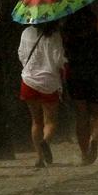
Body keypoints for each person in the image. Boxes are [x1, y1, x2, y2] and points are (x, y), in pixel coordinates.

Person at [63, 5, 98, 165]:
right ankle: (95, 139)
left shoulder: (66, 27)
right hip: (97, 72)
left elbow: (63, 50)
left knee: (81, 115)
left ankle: (84, 153)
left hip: (76, 74)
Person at [18, 20, 65, 167]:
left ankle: (39, 157)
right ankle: (45, 141)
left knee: (36, 121)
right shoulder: (54, 35)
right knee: (50, 121)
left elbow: (21, 54)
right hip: (49, 82)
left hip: (29, 81)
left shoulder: (26, 32)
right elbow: (58, 59)